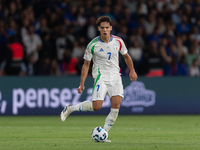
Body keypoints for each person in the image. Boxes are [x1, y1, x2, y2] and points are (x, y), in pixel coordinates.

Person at [60, 16, 138, 142]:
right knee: (96, 107)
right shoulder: (93, 45)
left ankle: (104, 134)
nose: (105, 30)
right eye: (102, 28)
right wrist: (82, 84)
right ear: (98, 29)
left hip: (116, 77)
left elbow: (127, 57)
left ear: (111, 28)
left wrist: (132, 70)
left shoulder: (118, 41)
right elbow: (86, 65)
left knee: (116, 106)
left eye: (107, 27)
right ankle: (70, 108)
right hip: (101, 77)